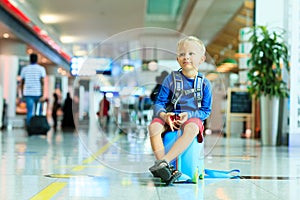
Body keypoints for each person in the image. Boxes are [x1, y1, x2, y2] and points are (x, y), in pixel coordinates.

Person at [148, 36, 213, 185]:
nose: (186, 57)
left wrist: (188, 115)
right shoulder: (170, 79)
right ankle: (166, 170)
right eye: (182, 54)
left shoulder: (205, 84)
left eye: (191, 53)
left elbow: (205, 110)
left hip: (192, 118)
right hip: (171, 116)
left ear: (202, 59)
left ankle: (163, 162)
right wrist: (165, 116)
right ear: (177, 59)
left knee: (191, 128)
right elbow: (159, 103)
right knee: (154, 127)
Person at [20, 53, 46, 126]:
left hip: (28, 94)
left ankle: (29, 127)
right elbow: (42, 83)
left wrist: (22, 94)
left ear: (30, 59)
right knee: (39, 112)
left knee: (29, 112)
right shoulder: (41, 69)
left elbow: (22, 83)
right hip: (38, 93)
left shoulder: (25, 69)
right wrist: (43, 95)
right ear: (37, 60)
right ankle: (39, 126)